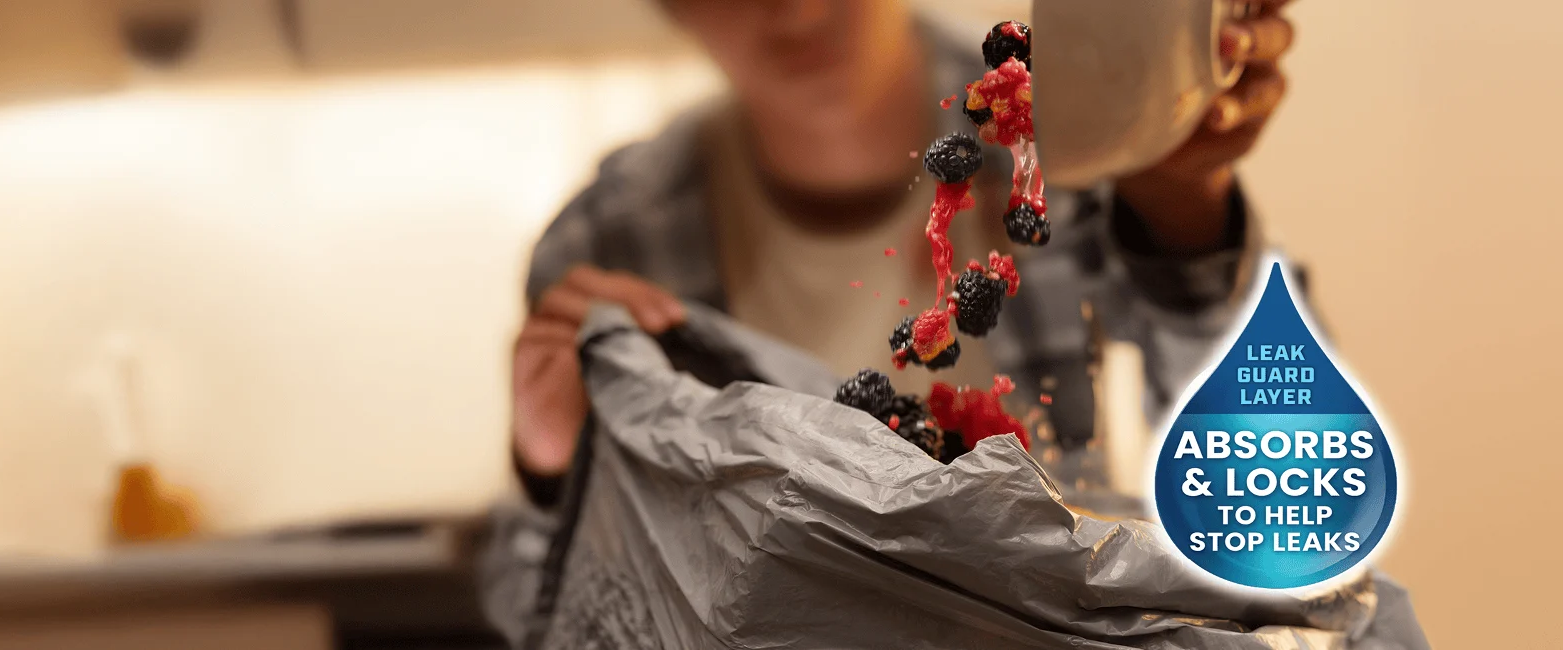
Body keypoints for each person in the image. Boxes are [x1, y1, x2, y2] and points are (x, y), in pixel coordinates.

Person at [510, 0, 1296, 507]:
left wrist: (1185, 204)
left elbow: (1279, 480)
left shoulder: (1069, 139)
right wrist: (555, 471)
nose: (796, 8)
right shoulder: (607, 249)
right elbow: (536, 595)